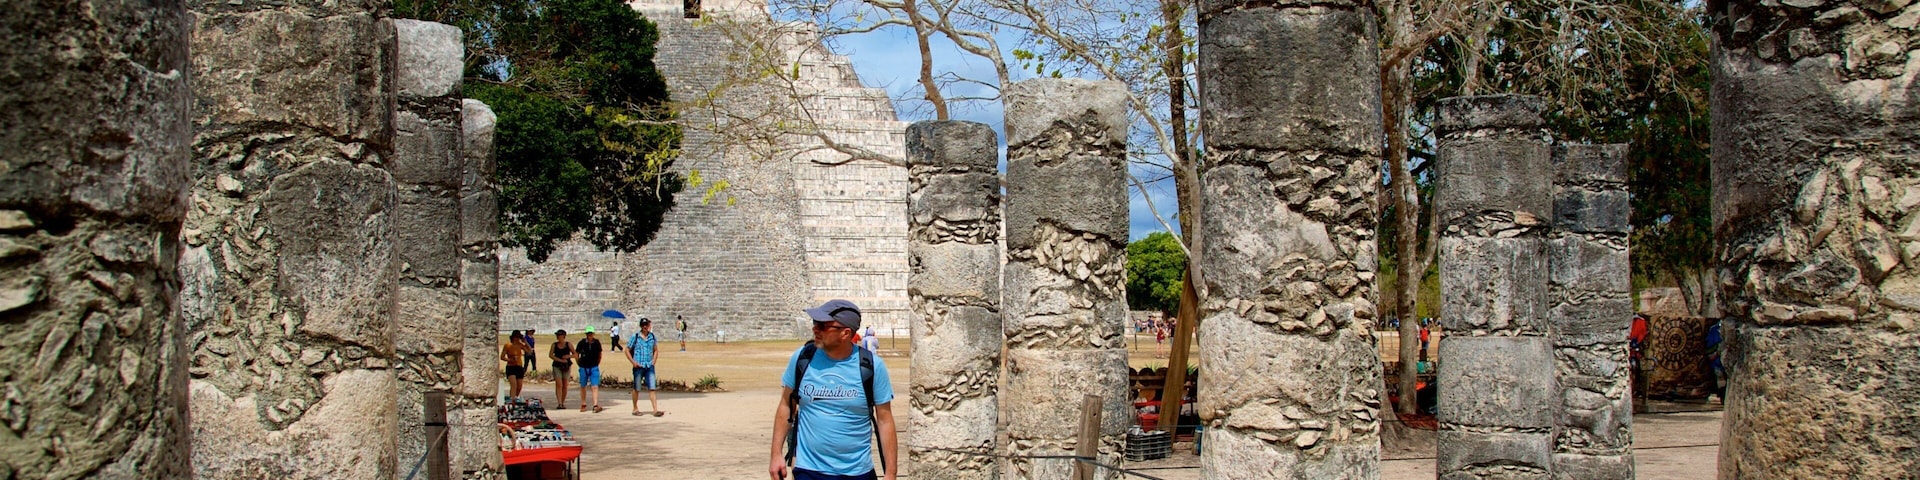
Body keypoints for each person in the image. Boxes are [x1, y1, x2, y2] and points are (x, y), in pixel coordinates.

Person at [768, 300, 897, 480]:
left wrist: (891, 473)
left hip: (857, 471)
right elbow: (786, 406)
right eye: (815, 323)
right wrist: (776, 454)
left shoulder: (872, 367)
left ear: (845, 333)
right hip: (808, 469)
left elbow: (885, 420)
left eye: (822, 326)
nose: (815, 329)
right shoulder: (802, 358)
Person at [629, 318, 662, 416]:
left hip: (649, 365)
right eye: (643, 325)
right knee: (636, 388)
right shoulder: (635, 337)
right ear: (641, 326)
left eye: (646, 325)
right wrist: (633, 362)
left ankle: (655, 410)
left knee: (652, 388)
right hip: (638, 365)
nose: (645, 327)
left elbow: (656, 350)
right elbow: (627, 350)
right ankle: (635, 408)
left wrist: (653, 361)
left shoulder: (652, 337)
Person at [576, 325, 606, 413]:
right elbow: (576, 353)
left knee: (595, 386)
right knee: (583, 386)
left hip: (593, 367)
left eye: (591, 333)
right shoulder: (581, 343)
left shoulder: (596, 343)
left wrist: (597, 363)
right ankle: (583, 403)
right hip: (583, 367)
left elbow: (600, 354)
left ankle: (595, 405)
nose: (590, 335)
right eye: (588, 333)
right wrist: (579, 363)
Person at [551, 329, 576, 408]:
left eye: (559, 335)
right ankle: (559, 403)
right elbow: (551, 355)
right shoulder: (554, 345)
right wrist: (560, 360)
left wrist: (568, 356)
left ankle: (562, 402)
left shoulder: (568, 344)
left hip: (566, 366)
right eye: (557, 335)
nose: (558, 337)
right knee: (559, 384)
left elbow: (575, 354)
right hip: (557, 365)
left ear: (563, 336)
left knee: (565, 385)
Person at [501, 330, 528, 399]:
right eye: (517, 337)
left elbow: (529, 351)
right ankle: (512, 399)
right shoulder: (508, 345)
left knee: (519, 386)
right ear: (513, 337)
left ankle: (515, 397)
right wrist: (510, 360)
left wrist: (525, 342)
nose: (518, 339)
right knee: (514, 385)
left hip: (519, 367)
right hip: (511, 367)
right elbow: (502, 357)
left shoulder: (520, 345)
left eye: (519, 337)